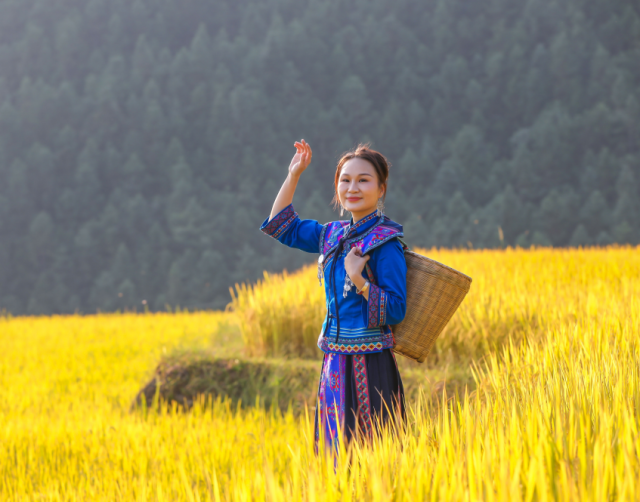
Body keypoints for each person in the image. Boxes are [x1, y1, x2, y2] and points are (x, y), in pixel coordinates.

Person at [260, 139, 407, 450]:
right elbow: (280, 226)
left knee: (372, 451)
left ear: (381, 189)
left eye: (363, 180)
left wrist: (359, 279)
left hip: (371, 362)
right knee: (334, 450)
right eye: (345, 180)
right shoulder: (332, 234)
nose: (352, 187)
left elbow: (395, 308)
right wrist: (294, 174)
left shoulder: (386, 243)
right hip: (334, 360)